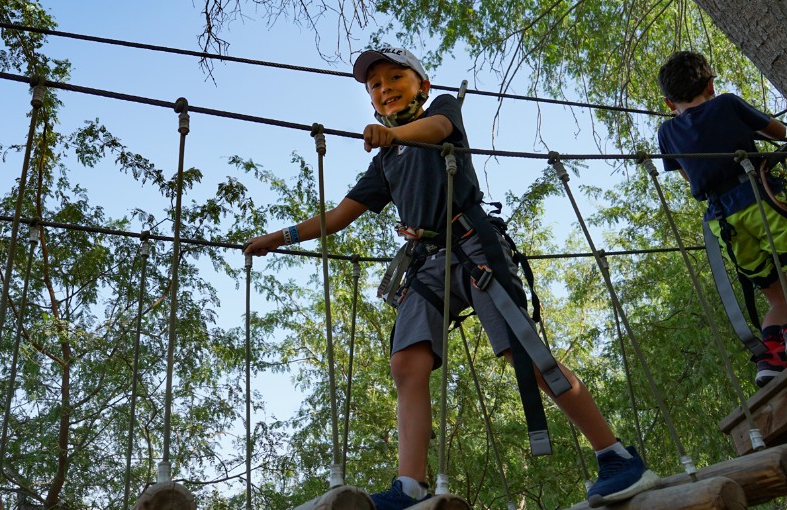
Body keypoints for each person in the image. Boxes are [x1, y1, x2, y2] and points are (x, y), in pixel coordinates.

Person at [246, 47, 658, 510]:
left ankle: (617, 455)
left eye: (395, 77)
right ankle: (409, 485)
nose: (385, 88)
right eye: (375, 85)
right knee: (406, 363)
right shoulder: (385, 161)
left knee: (521, 351)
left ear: (420, 83)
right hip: (426, 263)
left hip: (473, 246)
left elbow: (437, 132)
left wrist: (391, 133)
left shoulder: (442, 109)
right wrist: (279, 237)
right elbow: (339, 216)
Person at [657, 50, 787, 388]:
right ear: (711, 84)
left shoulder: (666, 133)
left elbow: (687, 176)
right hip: (758, 202)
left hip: (721, 223)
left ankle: (770, 358)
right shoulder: (725, 103)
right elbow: (778, 133)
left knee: (778, 298)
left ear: (669, 103)